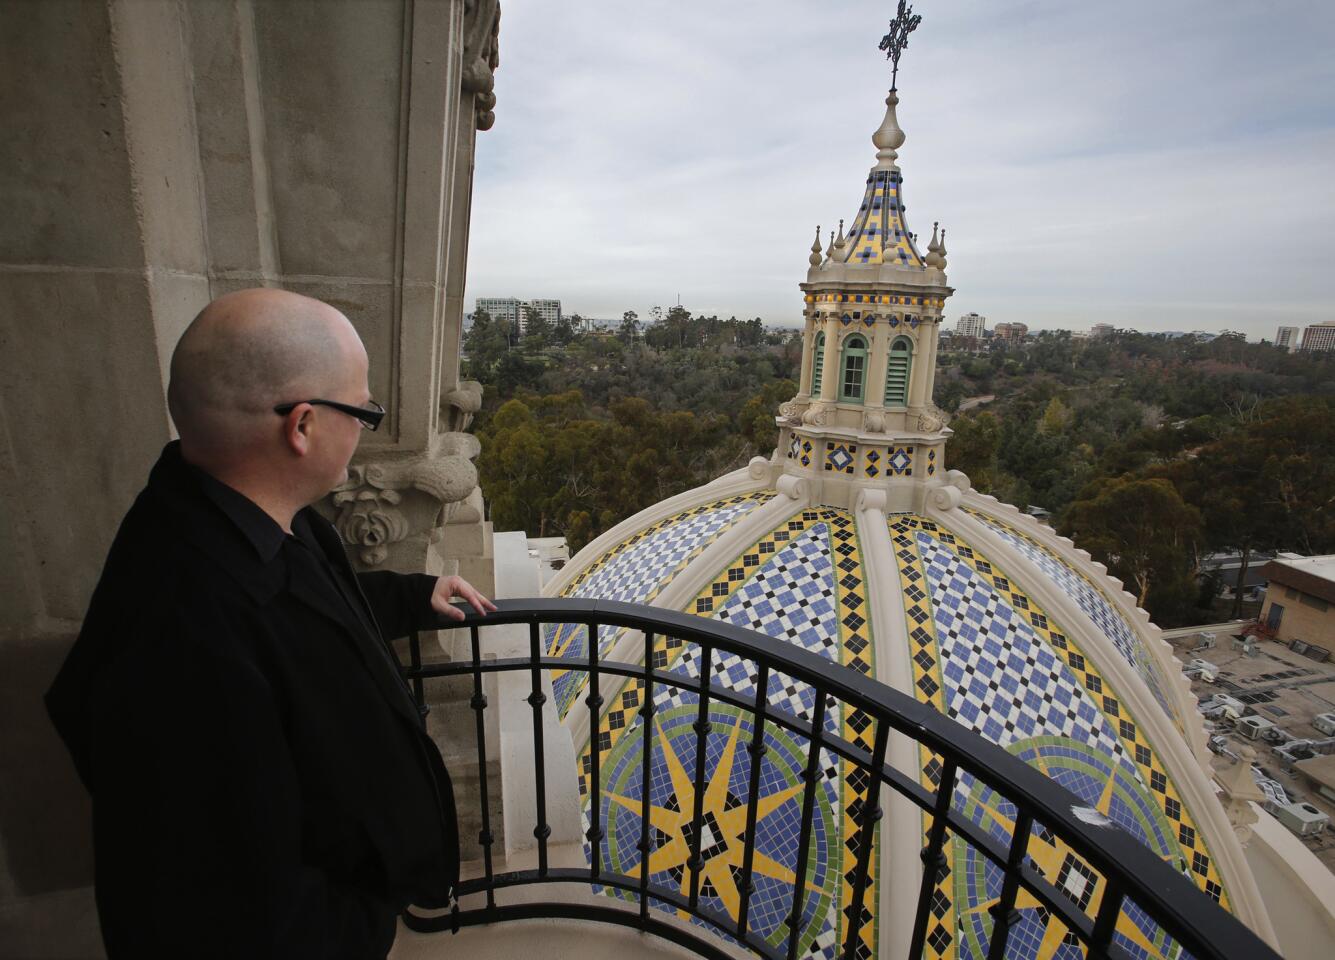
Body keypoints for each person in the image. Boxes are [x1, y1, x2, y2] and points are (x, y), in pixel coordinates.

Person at [45, 288, 496, 959]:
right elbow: (223, 902)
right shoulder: (182, 630)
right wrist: (360, 925)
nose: (367, 424)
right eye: (365, 410)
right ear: (304, 426)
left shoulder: (235, 516)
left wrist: (414, 593)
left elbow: (308, 608)